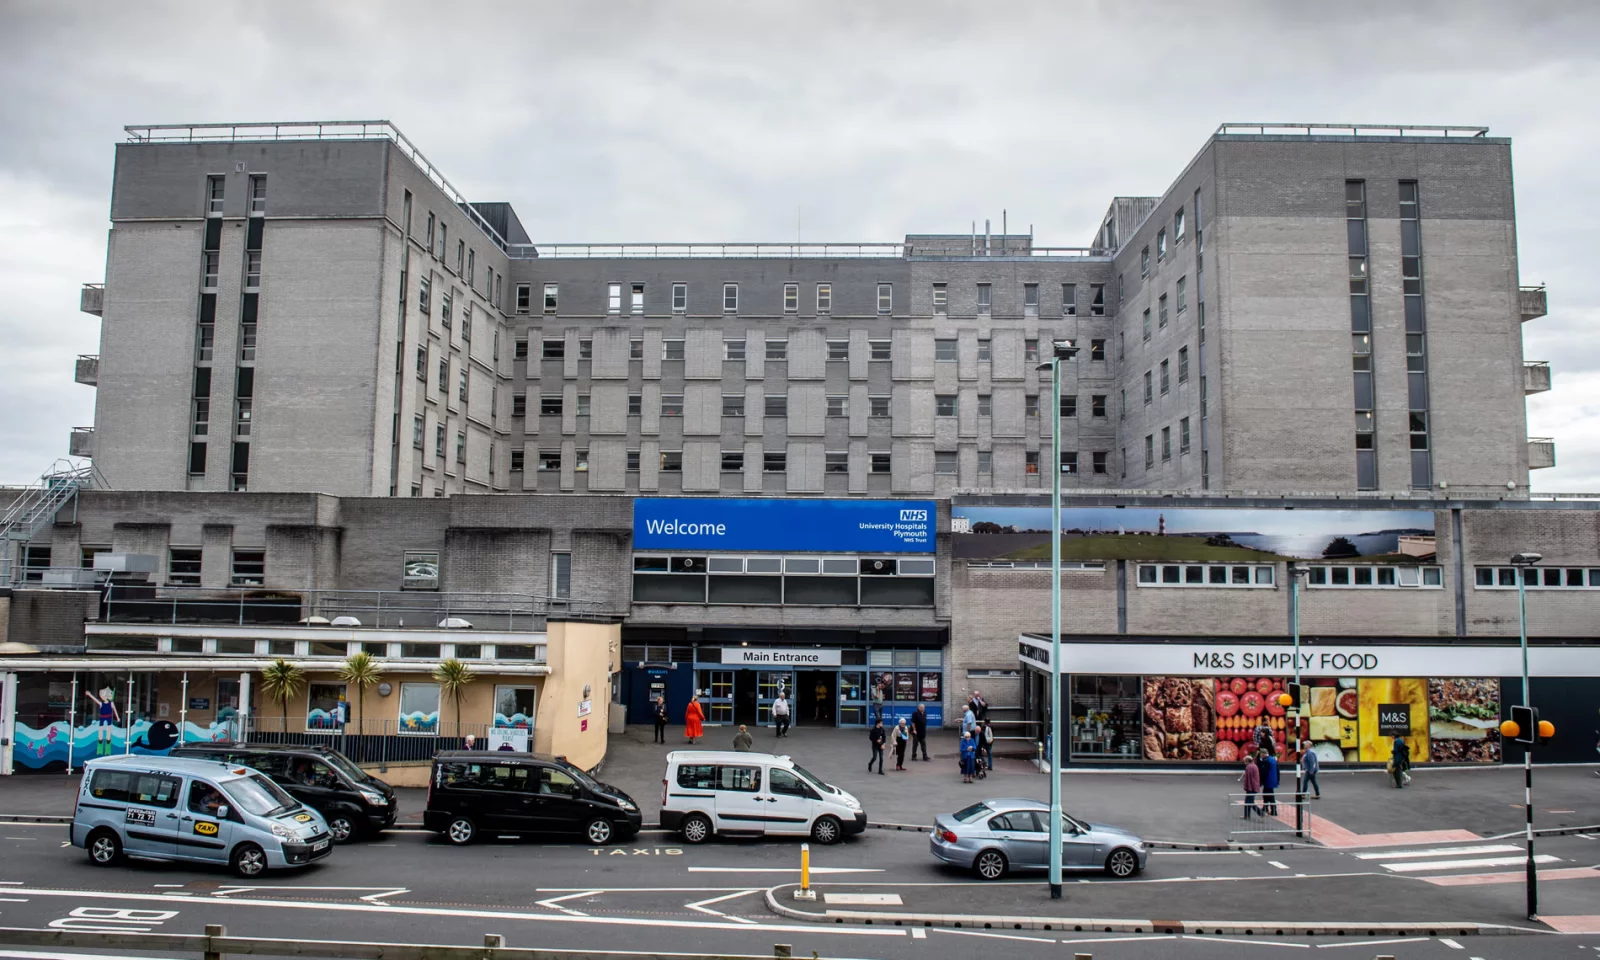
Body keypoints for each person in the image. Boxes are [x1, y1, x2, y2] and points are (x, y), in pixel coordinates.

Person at [1239, 751, 1262, 819]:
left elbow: (1248, 779)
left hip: (1251, 788)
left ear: (1247, 761)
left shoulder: (1249, 767)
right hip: (1255, 787)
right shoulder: (1254, 766)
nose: (1244, 763)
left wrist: (1247, 787)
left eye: (1244, 761)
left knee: (1249, 802)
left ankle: (1260, 813)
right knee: (1249, 801)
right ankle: (1247, 815)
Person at [1260, 745, 1280, 815]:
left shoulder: (1266, 761)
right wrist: (1278, 780)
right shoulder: (1273, 759)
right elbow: (1278, 770)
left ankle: (1273, 810)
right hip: (1273, 780)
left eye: (1260, 754)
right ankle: (1266, 808)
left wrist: (1261, 781)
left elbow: (1264, 772)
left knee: (1268, 795)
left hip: (1268, 781)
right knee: (1269, 794)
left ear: (1262, 754)